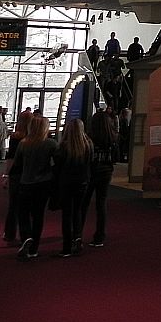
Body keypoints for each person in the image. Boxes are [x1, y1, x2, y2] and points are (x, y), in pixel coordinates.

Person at [13, 115, 57, 259]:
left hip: (26, 182)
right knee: (38, 215)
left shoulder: (23, 143)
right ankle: (34, 248)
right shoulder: (51, 144)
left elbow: (17, 164)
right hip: (44, 183)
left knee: (23, 213)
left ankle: (26, 237)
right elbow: (59, 162)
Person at [54, 118, 92, 257]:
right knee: (78, 211)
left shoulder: (64, 146)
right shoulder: (88, 144)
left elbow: (58, 166)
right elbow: (90, 163)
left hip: (67, 182)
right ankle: (78, 237)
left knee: (67, 214)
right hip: (82, 182)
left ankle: (67, 247)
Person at [82, 109, 118, 247]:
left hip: (90, 172)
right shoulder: (113, 138)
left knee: (84, 203)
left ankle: (77, 234)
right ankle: (100, 236)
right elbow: (115, 157)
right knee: (101, 204)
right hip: (106, 172)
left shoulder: (89, 138)